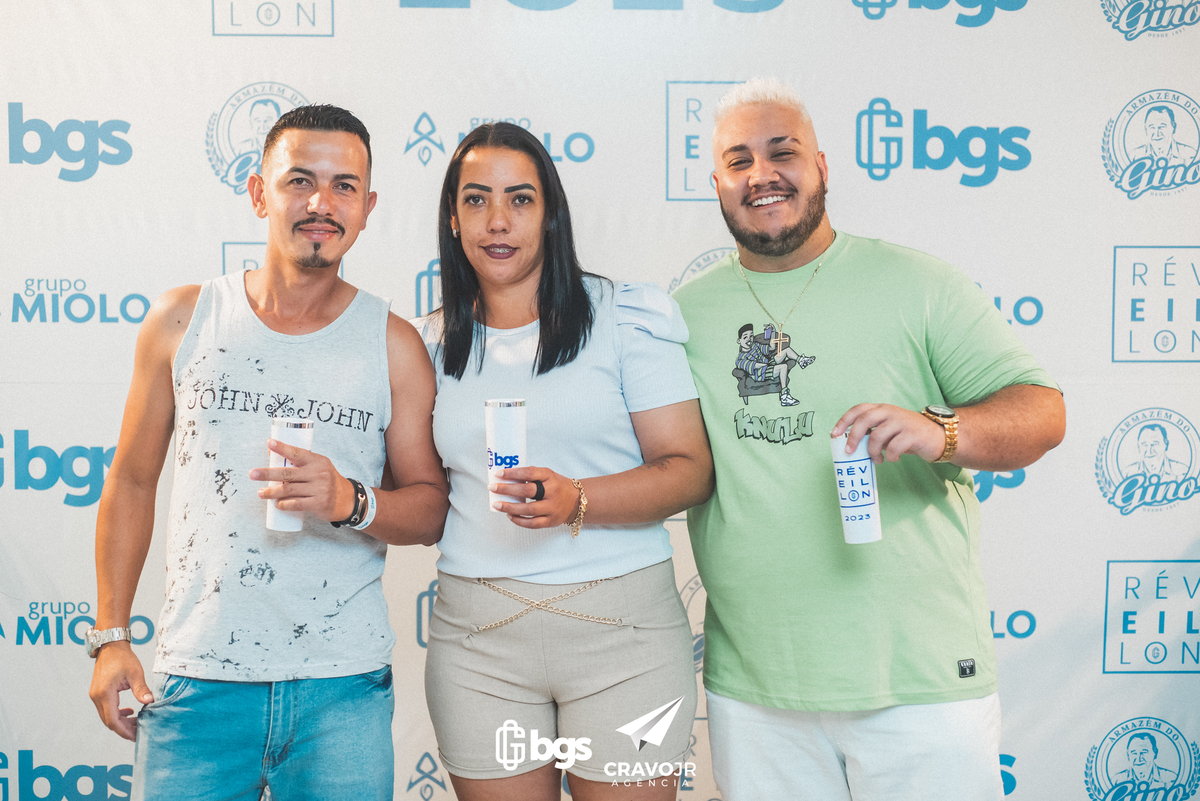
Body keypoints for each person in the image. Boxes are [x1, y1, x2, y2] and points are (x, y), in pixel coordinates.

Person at [671, 78, 1066, 801]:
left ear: (821, 166)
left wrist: (941, 430)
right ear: (717, 183)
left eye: (782, 152)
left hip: (919, 686)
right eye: (739, 160)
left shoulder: (918, 284)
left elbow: (1042, 414)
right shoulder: (682, 315)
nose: (761, 174)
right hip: (757, 691)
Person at [87, 104, 449, 801]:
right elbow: (131, 481)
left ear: (367, 208)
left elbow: (430, 508)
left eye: (344, 186)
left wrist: (350, 501)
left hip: (341, 689)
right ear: (259, 193)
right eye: (299, 181)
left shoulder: (393, 343)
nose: (321, 203)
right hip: (196, 683)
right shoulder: (183, 319)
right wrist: (110, 636)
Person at [419, 122, 714, 801]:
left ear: (550, 214)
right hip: (478, 644)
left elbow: (689, 468)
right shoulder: (427, 344)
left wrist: (579, 498)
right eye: (476, 200)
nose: (498, 220)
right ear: (453, 219)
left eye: (520, 199)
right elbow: (422, 495)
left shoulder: (625, 317)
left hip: (625, 639)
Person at [1130, 106, 1198, 167]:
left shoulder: (1190, 155)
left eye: (1162, 127)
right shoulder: (1135, 157)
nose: (1157, 133)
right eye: (1152, 127)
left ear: (1173, 127)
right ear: (1146, 129)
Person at [1123, 423, 1188, 480]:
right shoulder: (1127, 474)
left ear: (1166, 444)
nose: (1149, 451)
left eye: (1154, 444)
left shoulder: (1183, 472)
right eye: (1145, 445)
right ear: (1138, 446)